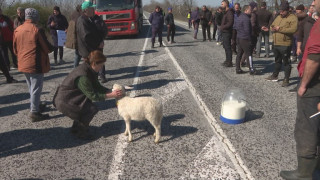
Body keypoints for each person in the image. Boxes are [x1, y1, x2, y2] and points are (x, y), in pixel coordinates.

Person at [280, 0, 320, 178]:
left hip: (314, 84)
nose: (313, 2)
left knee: (306, 127)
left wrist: (303, 85)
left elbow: (315, 55)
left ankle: (305, 173)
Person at [53, 50, 123, 140]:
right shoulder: (83, 76)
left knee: (85, 104)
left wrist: (110, 91)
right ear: (94, 63)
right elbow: (92, 96)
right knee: (91, 109)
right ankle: (82, 132)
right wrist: (111, 95)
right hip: (64, 101)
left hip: (70, 98)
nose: (101, 68)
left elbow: (97, 86)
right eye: (101, 65)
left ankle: (75, 128)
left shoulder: (89, 69)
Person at [13, 8, 53, 122]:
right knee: (36, 88)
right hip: (35, 63)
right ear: (35, 17)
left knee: (31, 86)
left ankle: (36, 104)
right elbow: (47, 48)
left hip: (23, 63)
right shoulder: (37, 29)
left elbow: (15, 49)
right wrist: (53, 47)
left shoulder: (18, 29)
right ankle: (34, 112)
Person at [265, 1, 298, 87]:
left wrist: (280, 29)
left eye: (283, 11)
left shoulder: (293, 18)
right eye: (280, 10)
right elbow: (272, 25)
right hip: (276, 42)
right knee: (277, 60)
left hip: (285, 43)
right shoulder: (278, 17)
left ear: (287, 10)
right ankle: (275, 75)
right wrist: (271, 28)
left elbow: (293, 30)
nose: (281, 12)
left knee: (286, 62)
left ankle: (286, 79)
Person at [234, 5, 256, 75]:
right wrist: (250, 39)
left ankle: (238, 68)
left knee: (239, 53)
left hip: (239, 37)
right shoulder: (246, 19)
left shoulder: (239, 17)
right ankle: (251, 69)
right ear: (246, 10)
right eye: (250, 10)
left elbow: (236, 27)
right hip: (245, 38)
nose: (251, 11)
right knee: (249, 54)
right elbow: (247, 30)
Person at [91, 14, 108, 83]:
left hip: (98, 43)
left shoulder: (98, 20)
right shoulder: (85, 20)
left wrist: (102, 40)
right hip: (90, 44)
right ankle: (93, 77)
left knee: (100, 59)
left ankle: (102, 75)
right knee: (91, 60)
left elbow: (105, 30)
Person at [220, 0, 235, 67]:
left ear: (226, 4)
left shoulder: (229, 12)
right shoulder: (226, 12)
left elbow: (230, 22)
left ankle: (229, 62)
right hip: (225, 31)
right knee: (225, 46)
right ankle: (227, 60)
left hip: (227, 32)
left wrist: (223, 27)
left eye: (222, 4)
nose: (221, 5)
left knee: (228, 47)